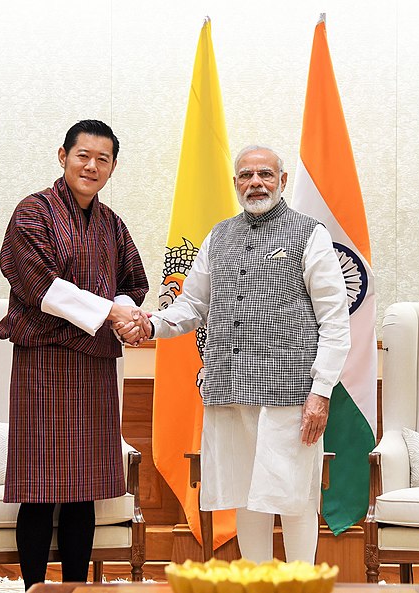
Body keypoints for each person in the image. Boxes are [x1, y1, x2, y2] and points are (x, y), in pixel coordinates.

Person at [118, 145, 350, 563]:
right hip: (229, 389)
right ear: (236, 184)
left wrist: (321, 392)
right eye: (246, 175)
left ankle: (303, 586)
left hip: (291, 395)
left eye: (264, 174)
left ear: (282, 181)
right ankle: (257, 584)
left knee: (294, 495)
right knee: (246, 495)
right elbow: (192, 306)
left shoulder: (309, 234)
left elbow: (335, 321)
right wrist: (151, 324)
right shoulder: (218, 235)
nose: (255, 182)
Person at [0, 119, 149, 588]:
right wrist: (113, 315)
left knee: (85, 492)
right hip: (44, 362)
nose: (92, 166)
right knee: (39, 491)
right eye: (83, 155)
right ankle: (34, 588)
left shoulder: (112, 225)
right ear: (62, 156)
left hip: (96, 365)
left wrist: (125, 312)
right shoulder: (31, 214)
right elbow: (40, 287)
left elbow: (133, 284)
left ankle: (77, 588)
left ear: (113, 167)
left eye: (103, 159)